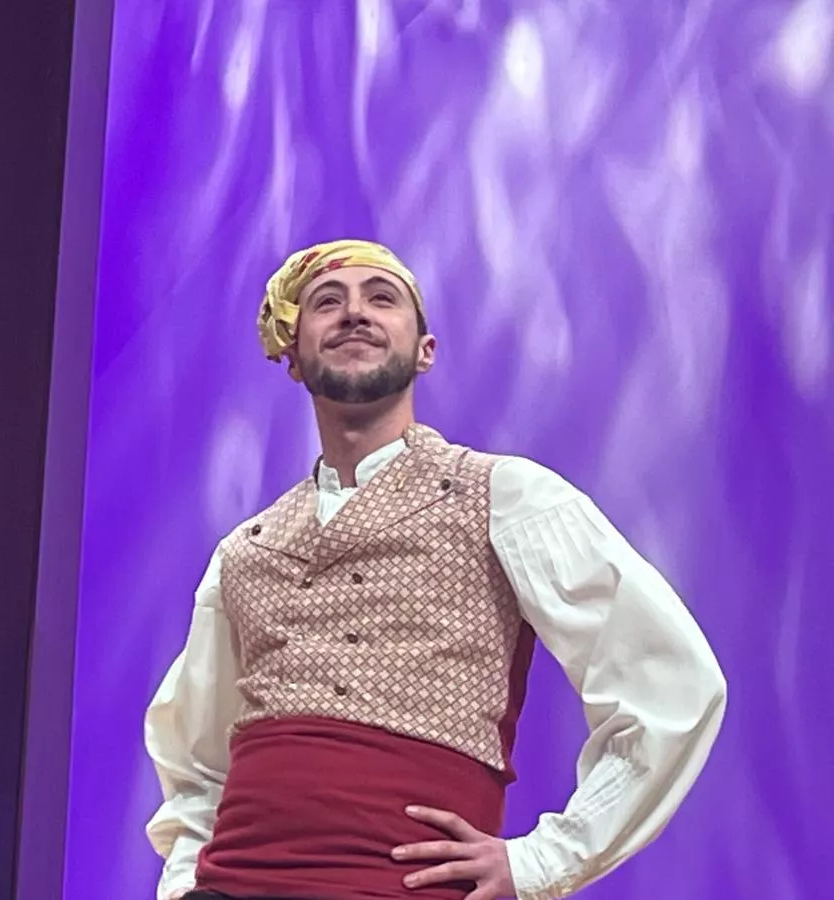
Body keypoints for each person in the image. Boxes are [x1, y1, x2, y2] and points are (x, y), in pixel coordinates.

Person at [143, 239, 727, 900]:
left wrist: (543, 861)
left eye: (381, 298)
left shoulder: (505, 497)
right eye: (326, 302)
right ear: (294, 358)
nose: (354, 313)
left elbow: (673, 684)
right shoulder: (245, 551)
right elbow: (194, 761)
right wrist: (185, 882)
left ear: (425, 350)